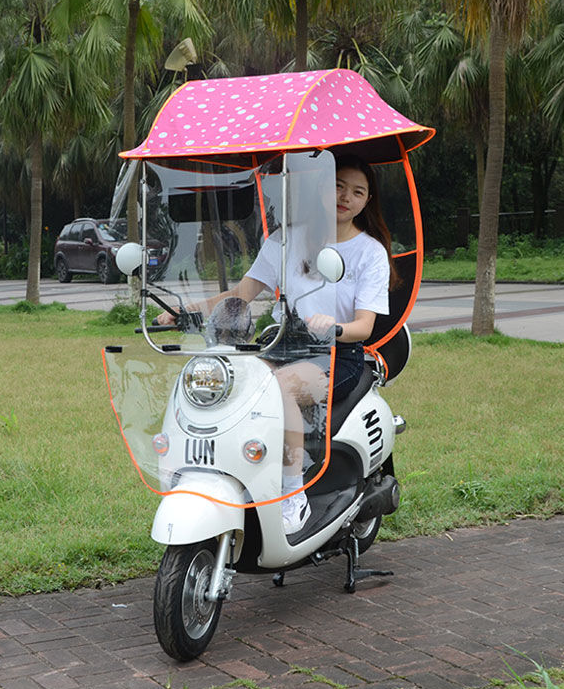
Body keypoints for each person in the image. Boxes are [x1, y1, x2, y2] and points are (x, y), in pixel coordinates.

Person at [156, 154, 393, 534]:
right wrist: (184, 310)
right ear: (321, 188)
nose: (346, 196)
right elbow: (241, 294)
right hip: (283, 345)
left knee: (278, 391)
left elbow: (364, 326)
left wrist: (335, 326)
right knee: (228, 387)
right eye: (338, 186)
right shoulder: (286, 240)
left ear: (367, 201)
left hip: (336, 353)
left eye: (358, 192)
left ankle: (291, 494)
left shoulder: (370, 253)